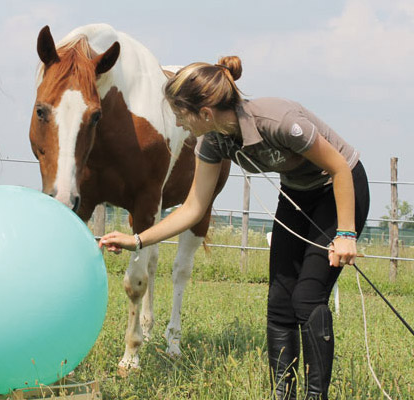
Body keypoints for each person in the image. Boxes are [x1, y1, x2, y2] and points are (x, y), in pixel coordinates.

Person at [99, 56, 369, 400]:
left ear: (205, 114)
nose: (179, 122)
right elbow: (194, 207)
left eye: (181, 114)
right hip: (297, 193)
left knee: (306, 297)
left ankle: (316, 396)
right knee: (280, 302)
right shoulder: (213, 142)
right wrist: (137, 240)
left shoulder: (278, 121)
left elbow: (339, 168)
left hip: (339, 190)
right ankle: (282, 394)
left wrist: (345, 234)